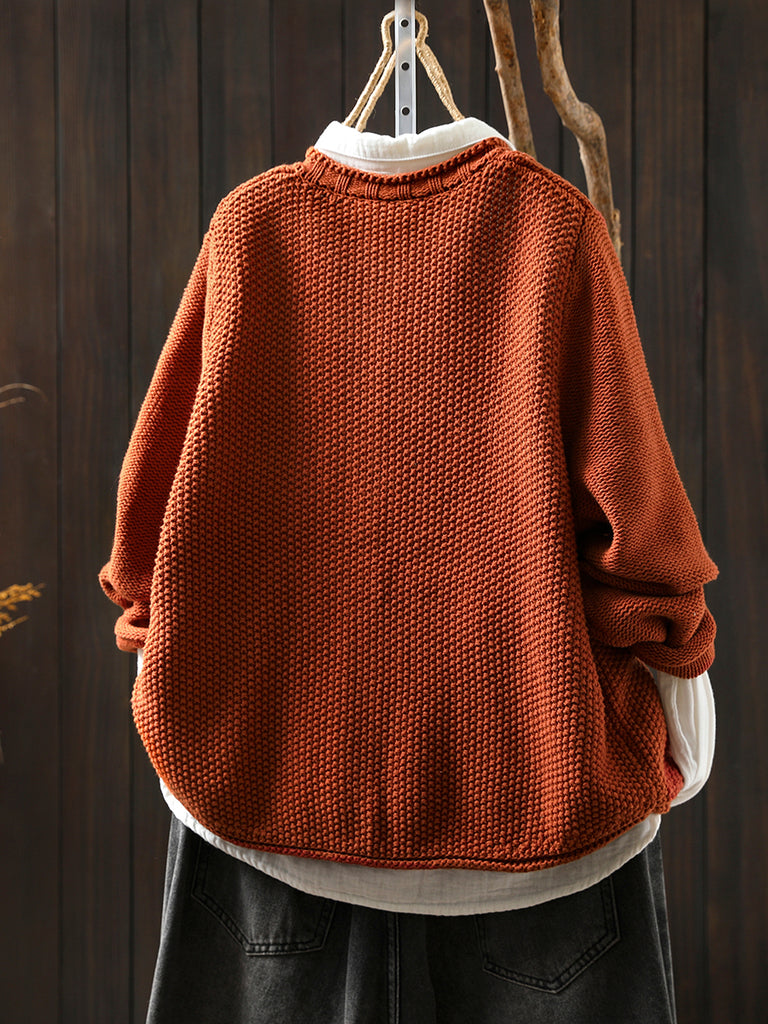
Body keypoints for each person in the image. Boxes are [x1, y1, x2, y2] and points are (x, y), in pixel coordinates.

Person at [99, 115, 718, 1023]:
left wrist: (170, 675)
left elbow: (150, 532)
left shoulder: (250, 229)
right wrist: (684, 738)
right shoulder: (555, 228)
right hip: (542, 829)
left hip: (262, 813)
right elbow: (644, 537)